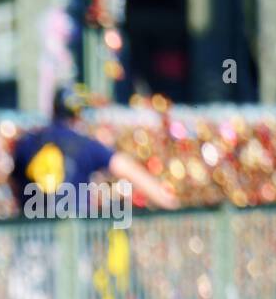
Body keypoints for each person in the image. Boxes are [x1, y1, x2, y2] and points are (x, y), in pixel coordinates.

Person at [11, 88, 179, 214]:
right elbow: (124, 167)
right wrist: (167, 201)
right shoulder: (85, 145)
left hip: (32, 233)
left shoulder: (28, 143)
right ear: (78, 115)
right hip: (72, 236)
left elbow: (14, 182)